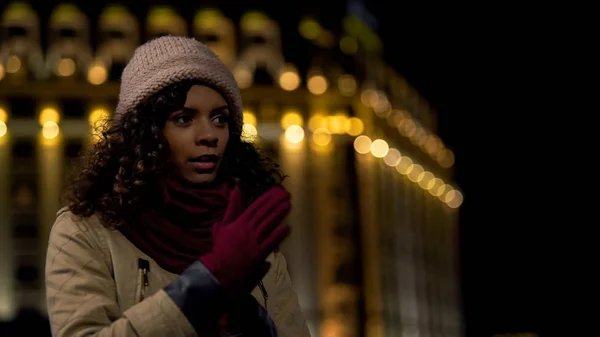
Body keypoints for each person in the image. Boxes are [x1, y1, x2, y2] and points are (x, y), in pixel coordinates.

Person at [45, 36, 311, 337]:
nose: (209, 135)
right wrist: (208, 283)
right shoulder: (83, 231)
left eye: (220, 119)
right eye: (184, 118)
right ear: (145, 133)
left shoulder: (249, 237)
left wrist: (243, 315)